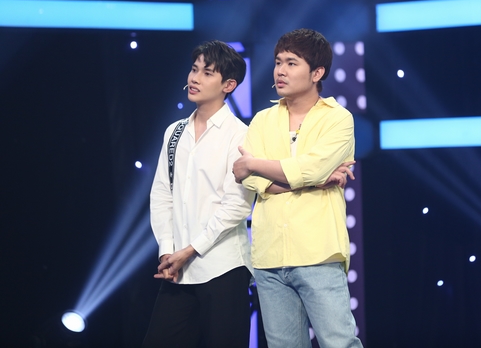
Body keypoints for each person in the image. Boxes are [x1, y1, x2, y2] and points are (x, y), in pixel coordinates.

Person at [233, 28, 363, 348]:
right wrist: (316, 180)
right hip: (269, 256)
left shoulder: (338, 119)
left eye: (291, 63)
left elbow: (307, 168)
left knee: (340, 343)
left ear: (317, 73)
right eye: (278, 62)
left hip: (318, 253)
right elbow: (249, 179)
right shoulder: (262, 120)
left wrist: (256, 164)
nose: (280, 70)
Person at [143, 40, 255, 348]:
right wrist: (167, 251)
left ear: (228, 85)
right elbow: (162, 194)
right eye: (194, 70)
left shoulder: (240, 134)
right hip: (179, 269)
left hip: (224, 267)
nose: (194, 78)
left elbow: (237, 205)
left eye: (207, 73)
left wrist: (190, 249)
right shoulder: (174, 131)